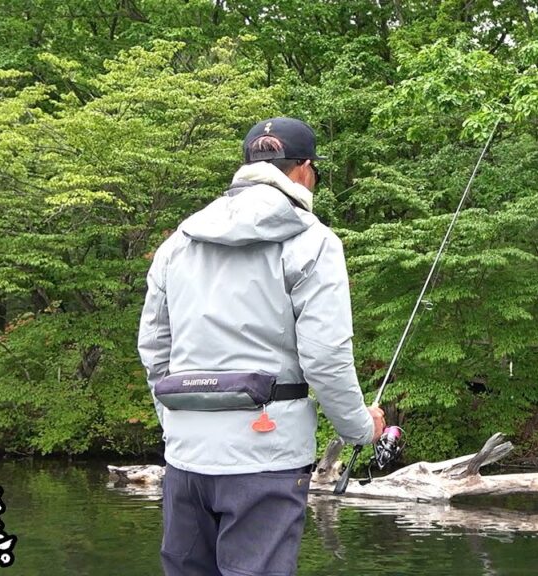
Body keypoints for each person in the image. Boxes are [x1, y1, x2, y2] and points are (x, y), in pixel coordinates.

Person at [137, 116, 385, 576]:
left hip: (186, 455)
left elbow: (154, 347)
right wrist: (359, 429)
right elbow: (326, 357)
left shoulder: (178, 243)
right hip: (265, 458)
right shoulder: (314, 242)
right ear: (306, 170)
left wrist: (176, 421)